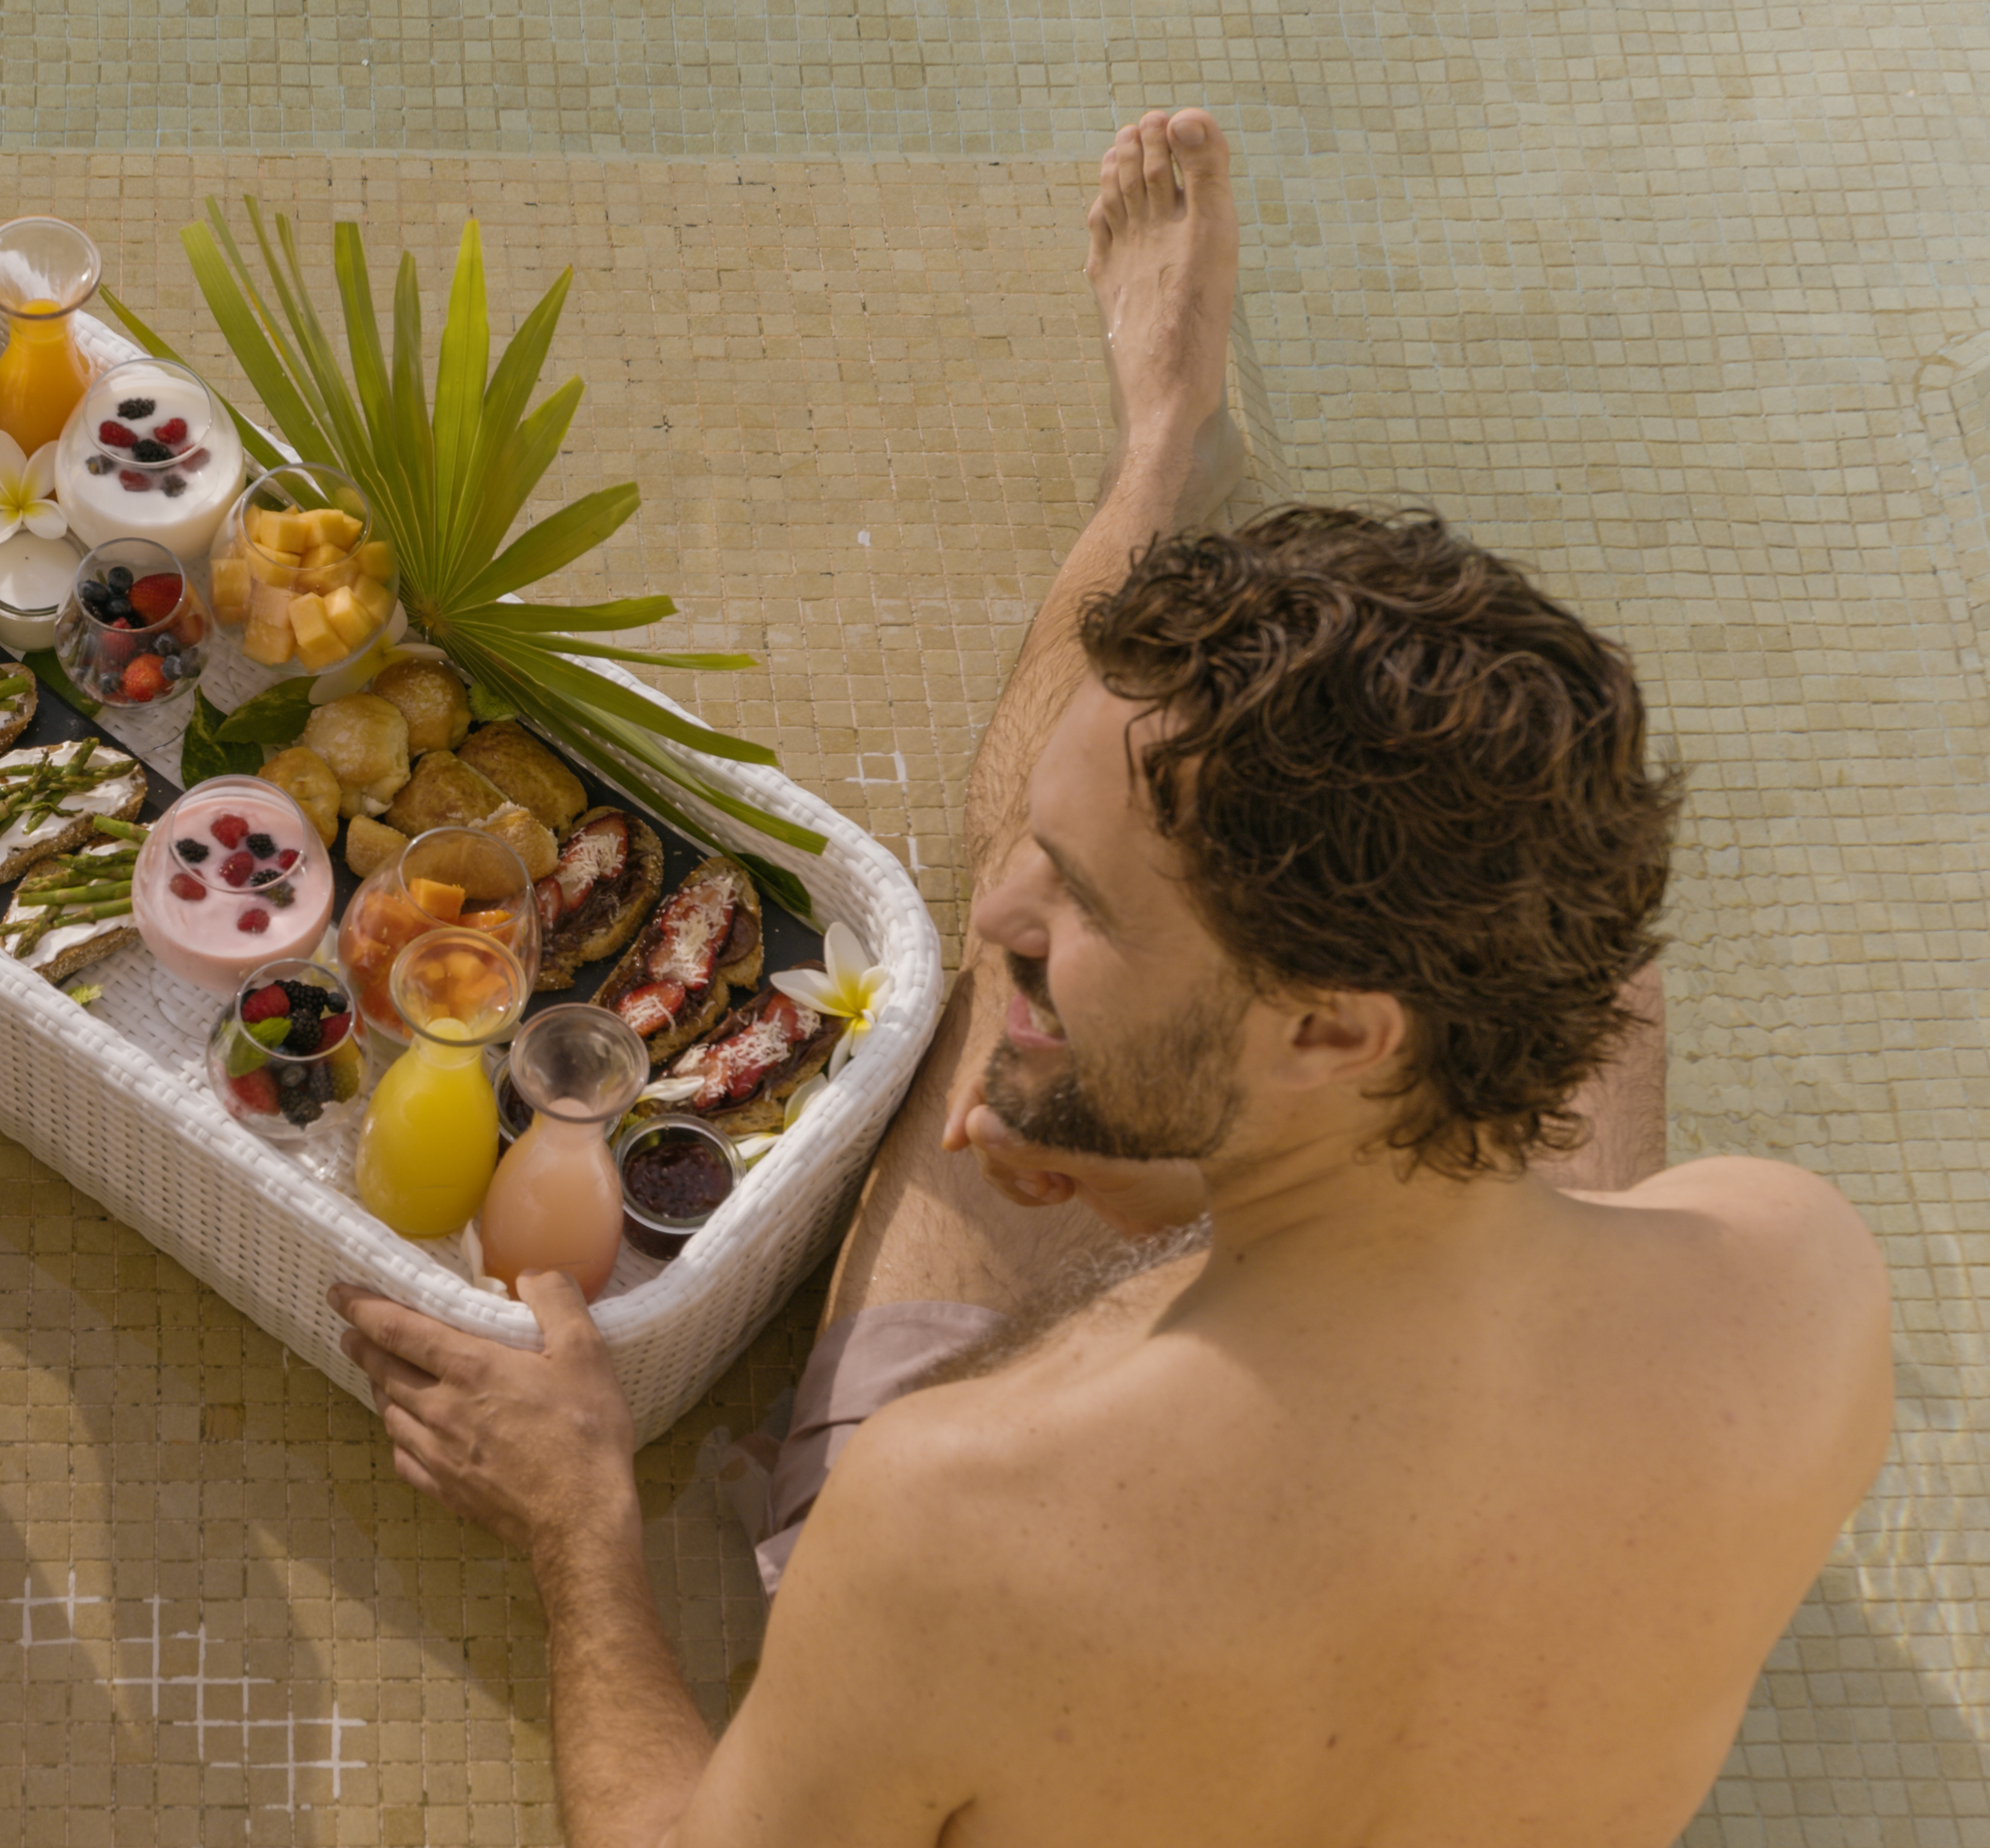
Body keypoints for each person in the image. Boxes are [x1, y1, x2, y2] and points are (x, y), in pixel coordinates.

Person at [330, 109, 1892, 1845]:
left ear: (1328, 1029)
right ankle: (1167, 519)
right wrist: (1166, 1101)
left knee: (993, 1057)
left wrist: (578, 1526)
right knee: (1598, 986)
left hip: (1066, 1627)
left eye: (1072, 901)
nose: (991, 908)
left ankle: (1159, 456)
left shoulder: (963, 1527)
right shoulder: (1792, 1272)